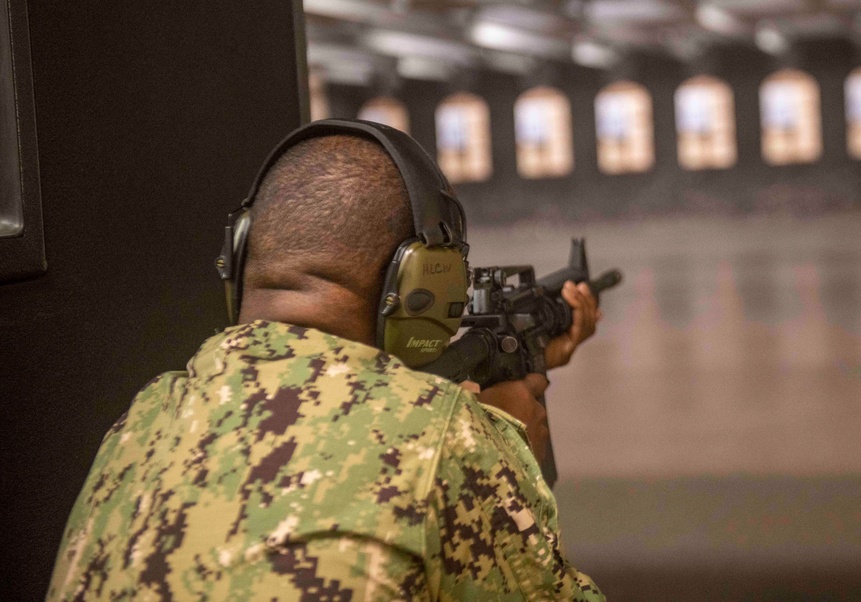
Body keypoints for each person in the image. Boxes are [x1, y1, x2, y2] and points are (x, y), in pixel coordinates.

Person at [48, 127, 604, 600]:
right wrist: (510, 449)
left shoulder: (145, 419)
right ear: (422, 281)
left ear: (240, 261)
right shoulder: (447, 438)